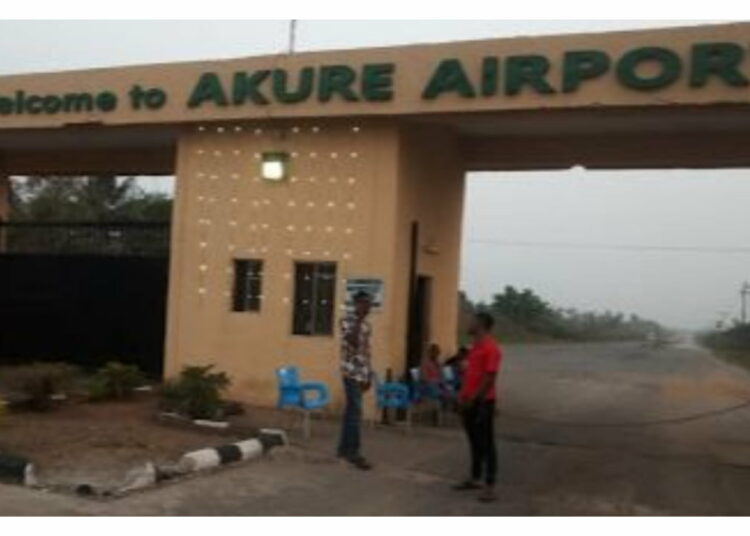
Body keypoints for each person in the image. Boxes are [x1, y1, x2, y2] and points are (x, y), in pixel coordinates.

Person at [454, 312, 502, 502]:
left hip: (482, 403)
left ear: (481, 324)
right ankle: (475, 478)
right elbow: (472, 375)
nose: (469, 323)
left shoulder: (491, 348)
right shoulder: (475, 347)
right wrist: (462, 398)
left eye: (472, 321)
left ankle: (490, 486)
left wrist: (473, 399)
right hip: (469, 401)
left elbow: (489, 378)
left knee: (487, 444)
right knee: (474, 442)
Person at [337, 290, 374, 470]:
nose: (367, 307)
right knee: (355, 413)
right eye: (364, 304)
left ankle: (344, 449)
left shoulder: (367, 325)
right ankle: (354, 453)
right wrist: (358, 319)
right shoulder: (346, 321)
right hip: (350, 373)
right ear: (356, 304)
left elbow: (366, 352)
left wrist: (369, 375)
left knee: (351, 413)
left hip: (362, 374)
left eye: (369, 304)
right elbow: (351, 342)